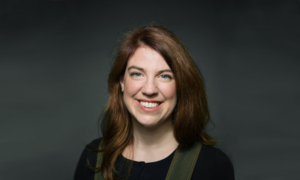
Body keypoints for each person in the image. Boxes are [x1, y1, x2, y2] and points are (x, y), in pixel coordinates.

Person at [74, 24, 234, 180]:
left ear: (180, 86)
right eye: (137, 74)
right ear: (122, 81)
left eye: (164, 76)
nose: (150, 90)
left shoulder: (213, 166)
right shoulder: (93, 157)